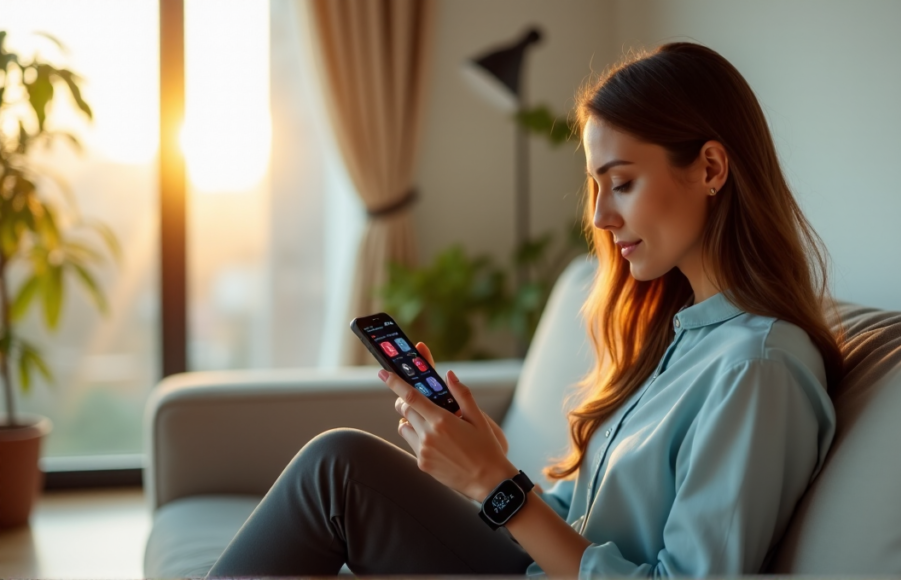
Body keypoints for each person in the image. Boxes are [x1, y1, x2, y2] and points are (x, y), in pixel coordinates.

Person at [205, 42, 843, 578]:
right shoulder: (673, 338)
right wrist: (490, 466)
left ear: (710, 167)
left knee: (336, 467)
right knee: (337, 470)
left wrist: (497, 487)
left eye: (621, 183)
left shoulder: (757, 368)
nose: (599, 216)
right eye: (596, 187)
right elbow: (579, 525)